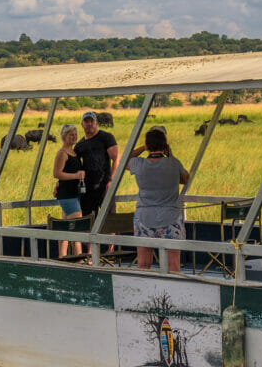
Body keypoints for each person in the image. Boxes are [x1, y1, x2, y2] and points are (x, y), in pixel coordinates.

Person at [127, 126, 189, 272]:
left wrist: (143, 147)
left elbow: (126, 159)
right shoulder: (174, 163)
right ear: (165, 145)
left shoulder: (139, 164)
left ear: (148, 146)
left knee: (143, 264)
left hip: (144, 218)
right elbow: (185, 178)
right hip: (171, 217)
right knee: (174, 266)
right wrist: (171, 155)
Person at [74, 111, 120, 217]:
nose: (89, 124)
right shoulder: (79, 145)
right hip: (87, 189)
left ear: (97, 123)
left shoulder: (106, 137)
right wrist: (60, 183)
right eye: (86, 122)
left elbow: (116, 158)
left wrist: (111, 181)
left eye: (92, 121)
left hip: (105, 186)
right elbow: (73, 166)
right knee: (88, 221)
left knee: (109, 221)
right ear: (82, 124)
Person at [52, 124, 86, 256]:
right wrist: (76, 176)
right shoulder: (62, 153)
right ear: (64, 137)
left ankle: (62, 256)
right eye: (71, 134)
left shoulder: (74, 152)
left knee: (66, 227)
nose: (74, 137)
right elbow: (57, 173)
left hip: (74, 193)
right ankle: (79, 258)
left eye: (75, 134)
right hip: (67, 194)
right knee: (77, 226)